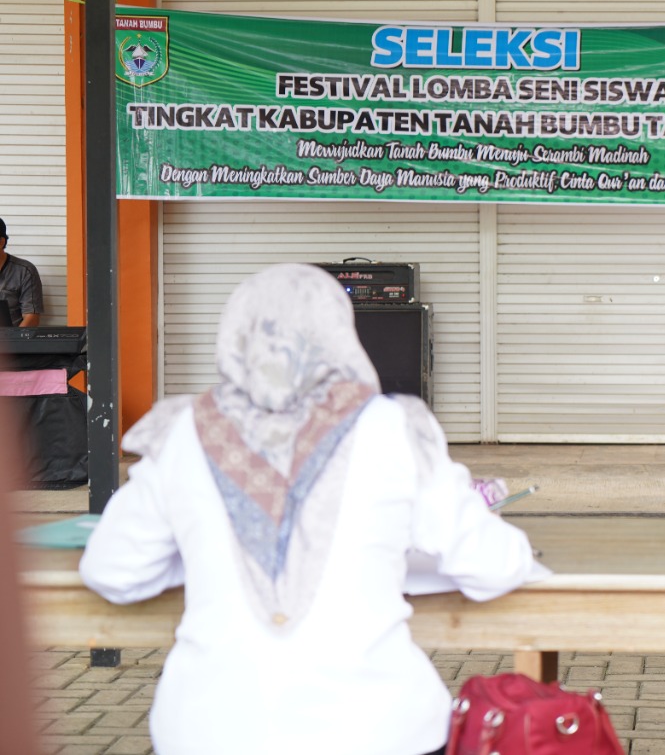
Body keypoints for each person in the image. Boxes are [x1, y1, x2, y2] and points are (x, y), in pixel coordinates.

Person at [79, 264, 546, 755]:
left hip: (208, 731)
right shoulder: (394, 429)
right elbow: (496, 567)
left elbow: (113, 570)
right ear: (341, 336)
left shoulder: (182, 433)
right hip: (375, 730)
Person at [0, 217, 43, 327]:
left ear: (1, 242)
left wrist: (15, 342)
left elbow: (31, 317)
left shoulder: (25, 271)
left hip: (10, 340)